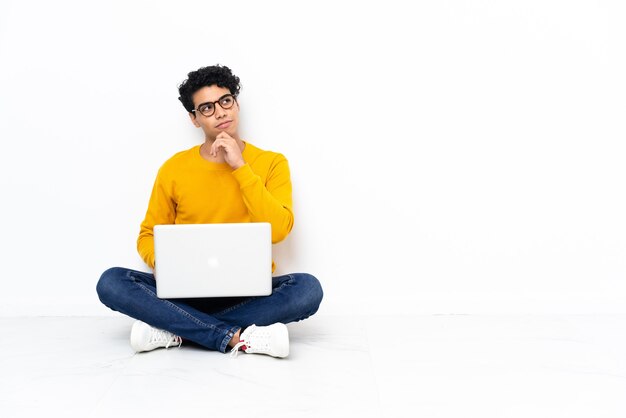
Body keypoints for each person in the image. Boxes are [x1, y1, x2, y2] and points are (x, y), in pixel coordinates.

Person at [96, 65, 323, 358]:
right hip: (185, 293)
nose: (220, 112)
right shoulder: (174, 168)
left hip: (248, 294)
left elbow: (279, 231)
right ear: (194, 118)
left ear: (236, 103)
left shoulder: (271, 163)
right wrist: (168, 263)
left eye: (225, 101)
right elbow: (148, 235)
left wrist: (241, 167)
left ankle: (177, 328)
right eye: (207, 107)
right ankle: (237, 337)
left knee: (307, 289)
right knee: (111, 282)